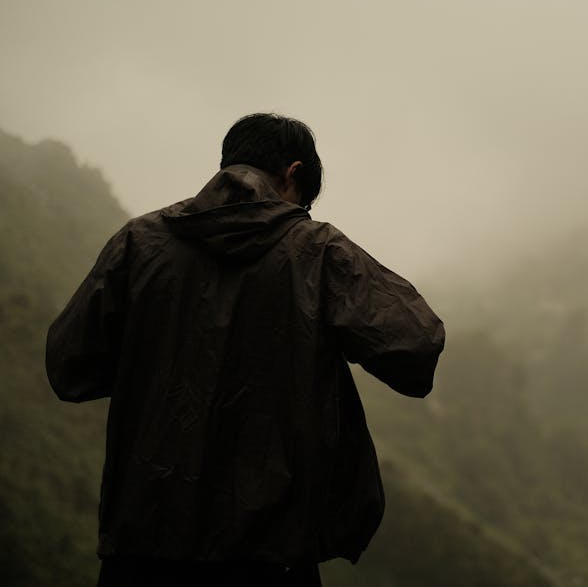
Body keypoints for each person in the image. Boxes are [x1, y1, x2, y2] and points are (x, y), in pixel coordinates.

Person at [45, 113, 446, 586]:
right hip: (270, 552)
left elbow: (69, 366)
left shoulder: (139, 242)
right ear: (292, 175)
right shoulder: (315, 250)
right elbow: (415, 346)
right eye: (303, 203)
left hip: (142, 545)